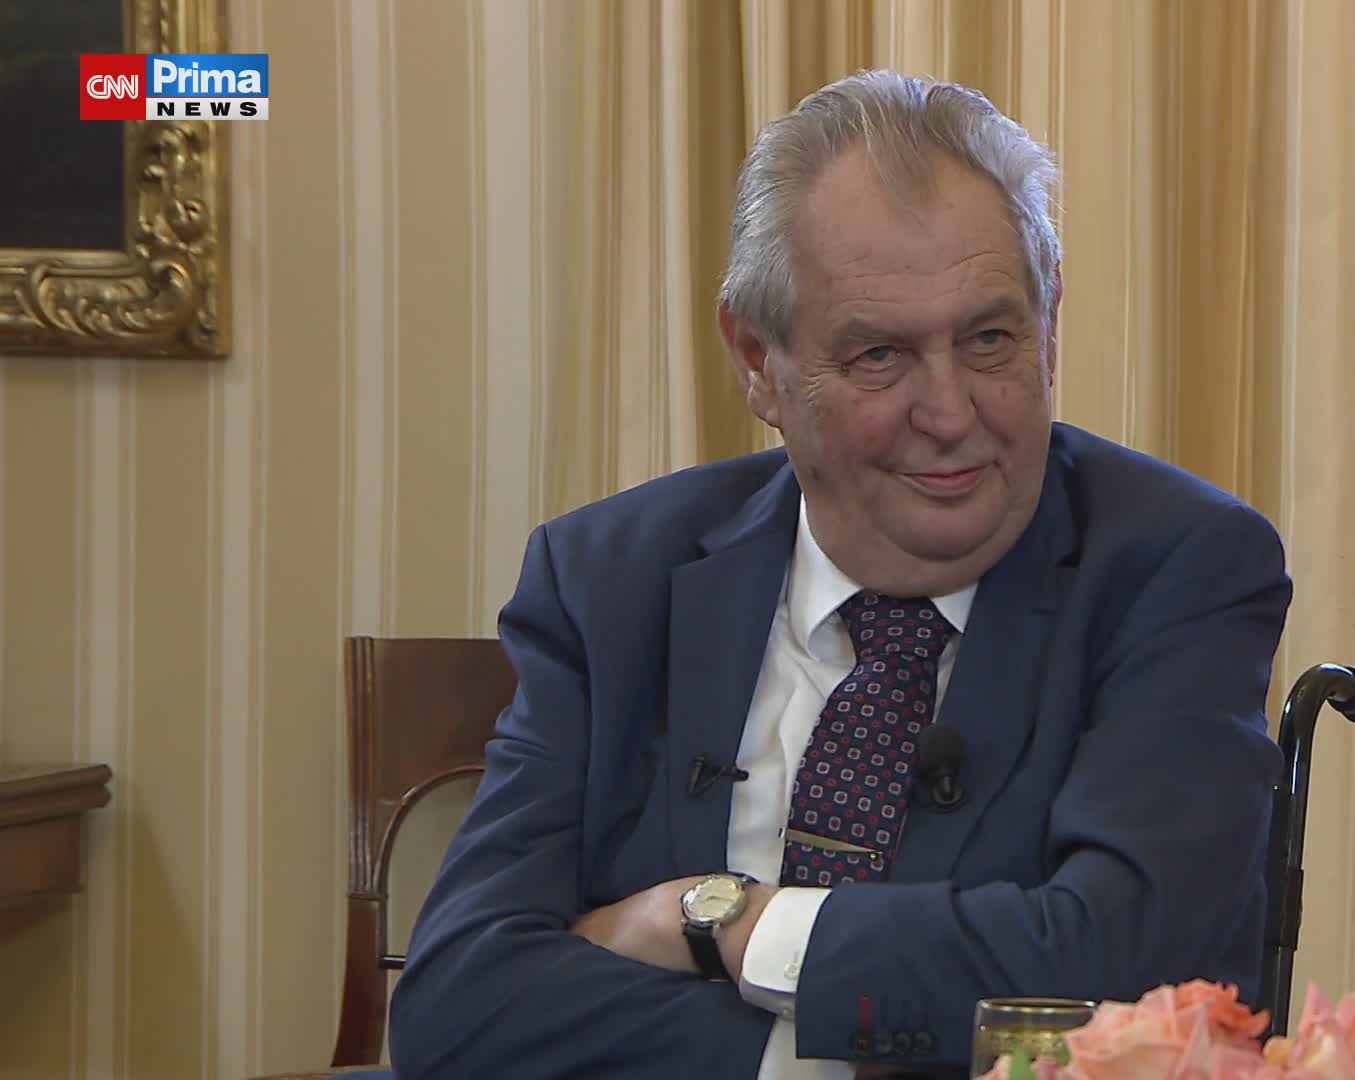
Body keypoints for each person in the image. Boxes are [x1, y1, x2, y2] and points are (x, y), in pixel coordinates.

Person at [387, 69, 1292, 1079]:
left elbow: (1132, 979)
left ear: (1049, 325)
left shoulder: (1177, 569)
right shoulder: (610, 581)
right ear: (758, 361)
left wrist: (717, 923)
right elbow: (456, 1011)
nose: (949, 413)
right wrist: (828, 1050)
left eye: (989, 339)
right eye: (880, 356)